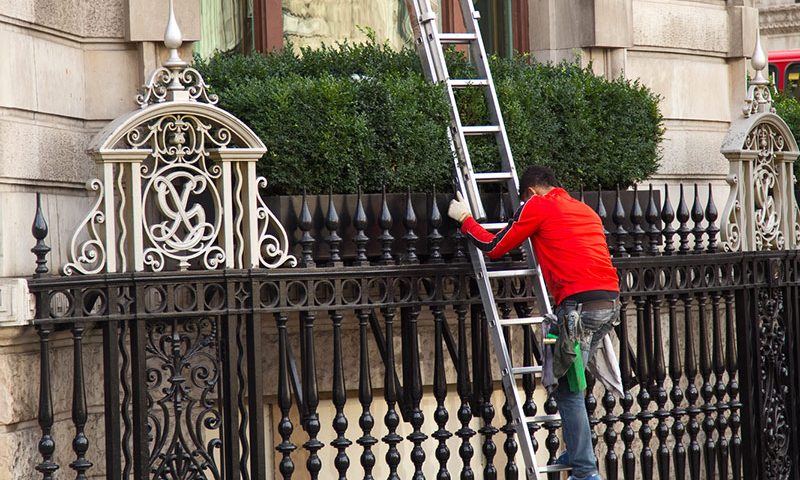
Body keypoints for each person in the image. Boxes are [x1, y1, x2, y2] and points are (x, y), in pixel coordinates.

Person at [447, 165, 620, 480]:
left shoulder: (537, 205)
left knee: (567, 388)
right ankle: (578, 452)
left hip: (575, 311)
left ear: (527, 192)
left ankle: (585, 472)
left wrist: (465, 220)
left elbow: (495, 247)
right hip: (606, 306)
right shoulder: (584, 210)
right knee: (567, 375)